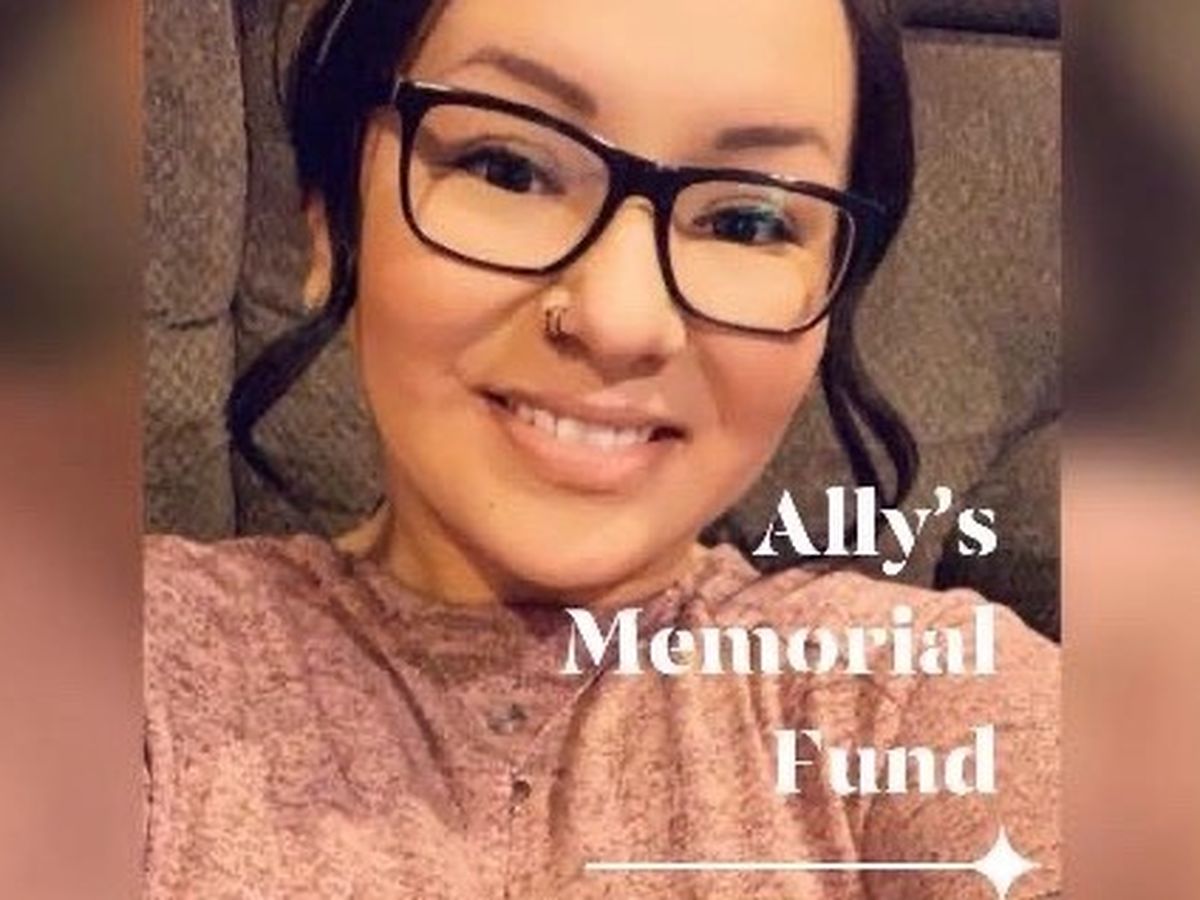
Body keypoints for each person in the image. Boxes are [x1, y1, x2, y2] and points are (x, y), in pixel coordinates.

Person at [144, 0, 1060, 897]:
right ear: (328, 221)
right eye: (508, 167)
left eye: (746, 222)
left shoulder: (919, 698)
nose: (620, 321)